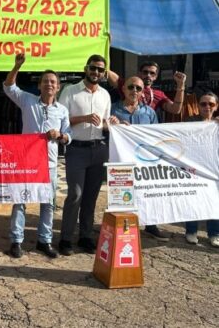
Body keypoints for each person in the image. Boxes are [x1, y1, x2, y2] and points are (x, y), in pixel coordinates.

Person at [108, 62, 187, 241]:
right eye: (131, 87)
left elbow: (162, 127)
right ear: (124, 88)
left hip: (143, 159)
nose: (134, 90)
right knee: (122, 192)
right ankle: (121, 227)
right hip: (121, 159)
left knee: (147, 192)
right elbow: (110, 74)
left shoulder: (151, 109)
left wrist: (181, 86)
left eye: (152, 73)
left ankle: (151, 225)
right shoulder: (114, 107)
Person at [3, 53, 72, 259]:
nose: (49, 84)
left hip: (49, 164)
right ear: (39, 85)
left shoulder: (62, 110)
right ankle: (16, 241)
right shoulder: (27, 100)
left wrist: (60, 135)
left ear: (58, 87)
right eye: (45, 81)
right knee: (20, 201)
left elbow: (69, 136)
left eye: (53, 82)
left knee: (48, 203)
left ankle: (44, 241)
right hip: (27, 162)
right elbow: (8, 87)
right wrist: (17, 66)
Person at [58, 54, 118, 256]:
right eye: (93, 68)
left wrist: (113, 124)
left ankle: (85, 236)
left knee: (91, 197)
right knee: (75, 195)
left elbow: (104, 124)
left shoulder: (105, 95)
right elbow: (62, 119)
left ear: (104, 73)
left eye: (100, 70)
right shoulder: (70, 91)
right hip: (76, 149)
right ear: (86, 69)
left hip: (99, 149)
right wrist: (84, 118)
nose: (96, 72)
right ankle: (65, 238)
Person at [184, 91, 219, 247]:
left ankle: (214, 234)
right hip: (195, 168)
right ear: (198, 106)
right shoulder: (190, 121)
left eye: (211, 104)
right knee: (194, 200)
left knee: (214, 201)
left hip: (214, 169)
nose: (207, 107)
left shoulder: (217, 124)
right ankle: (191, 231)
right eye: (203, 103)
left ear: (216, 106)